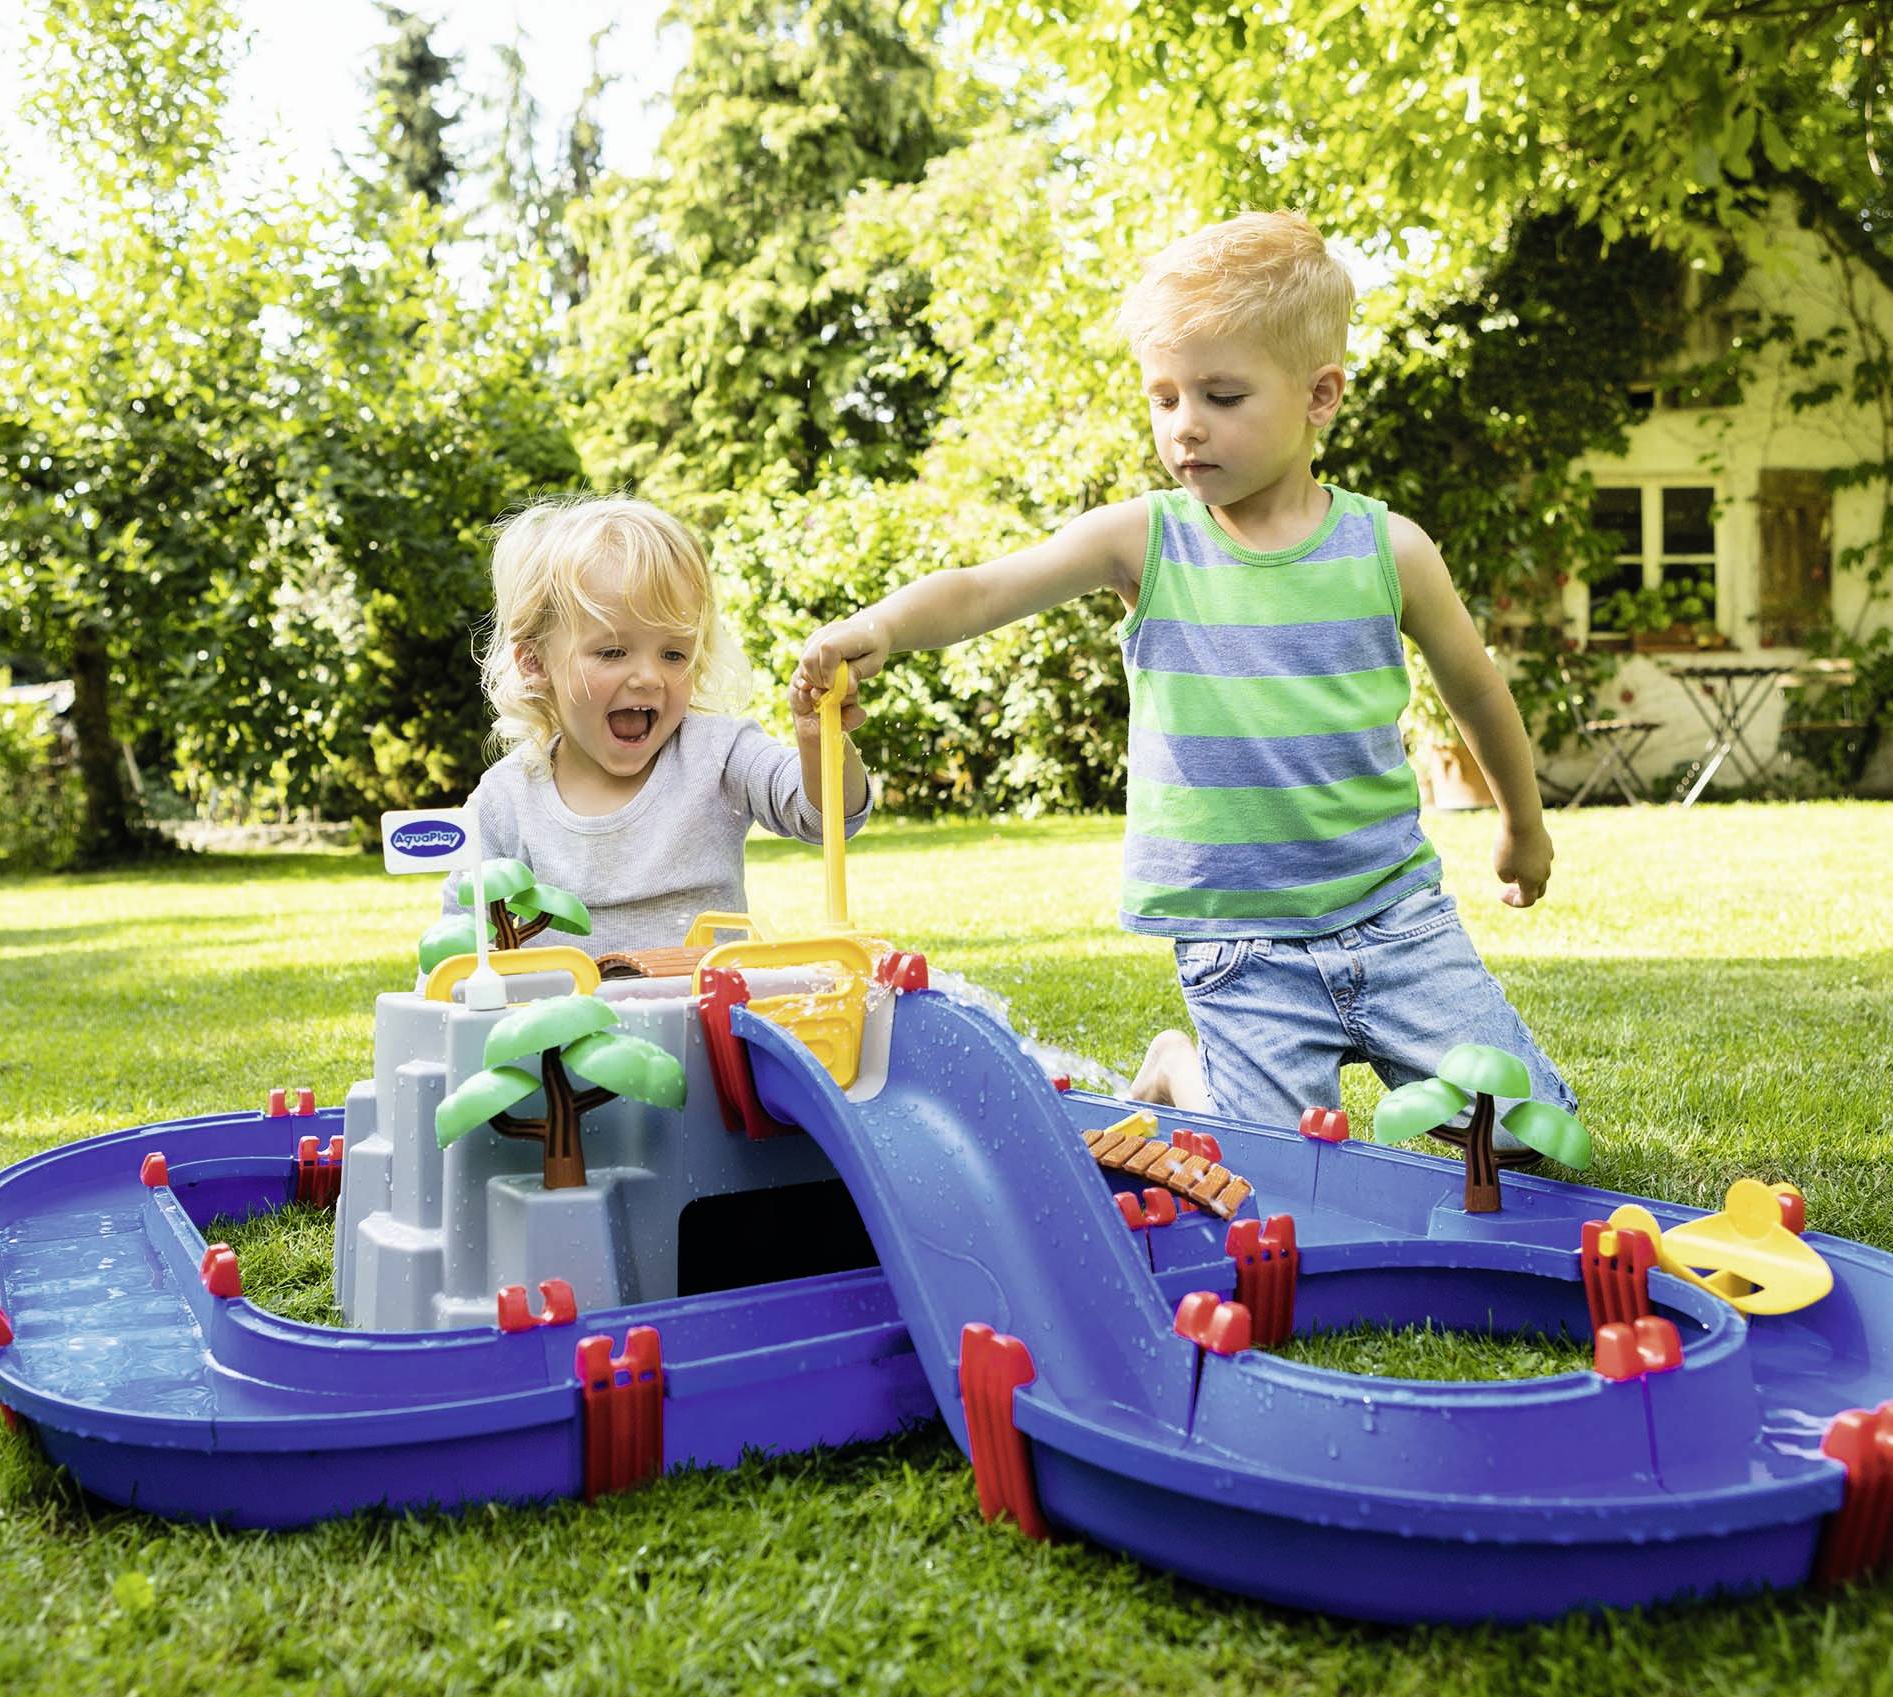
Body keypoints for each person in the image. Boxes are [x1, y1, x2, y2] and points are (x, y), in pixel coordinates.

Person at [793, 212, 1573, 1135]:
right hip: (1240, 943)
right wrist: (880, 626)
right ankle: (1180, 1068)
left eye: (1221, 395)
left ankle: (1364, 1074)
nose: (1185, 427)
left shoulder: (1389, 549)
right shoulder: (1148, 538)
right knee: (1272, 1169)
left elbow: (1476, 690)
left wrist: (1524, 827)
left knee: (1526, 1137)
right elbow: (988, 587)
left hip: (1393, 916)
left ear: (1320, 396)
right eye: (1164, 398)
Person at [444, 495, 869, 953]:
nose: (648, 677)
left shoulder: (719, 755)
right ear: (534, 663)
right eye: (612, 652)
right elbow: (458, 942)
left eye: (674, 654)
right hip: (568, 1025)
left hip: (703, 1022)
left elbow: (826, 817)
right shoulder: (506, 800)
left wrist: (817, 738)